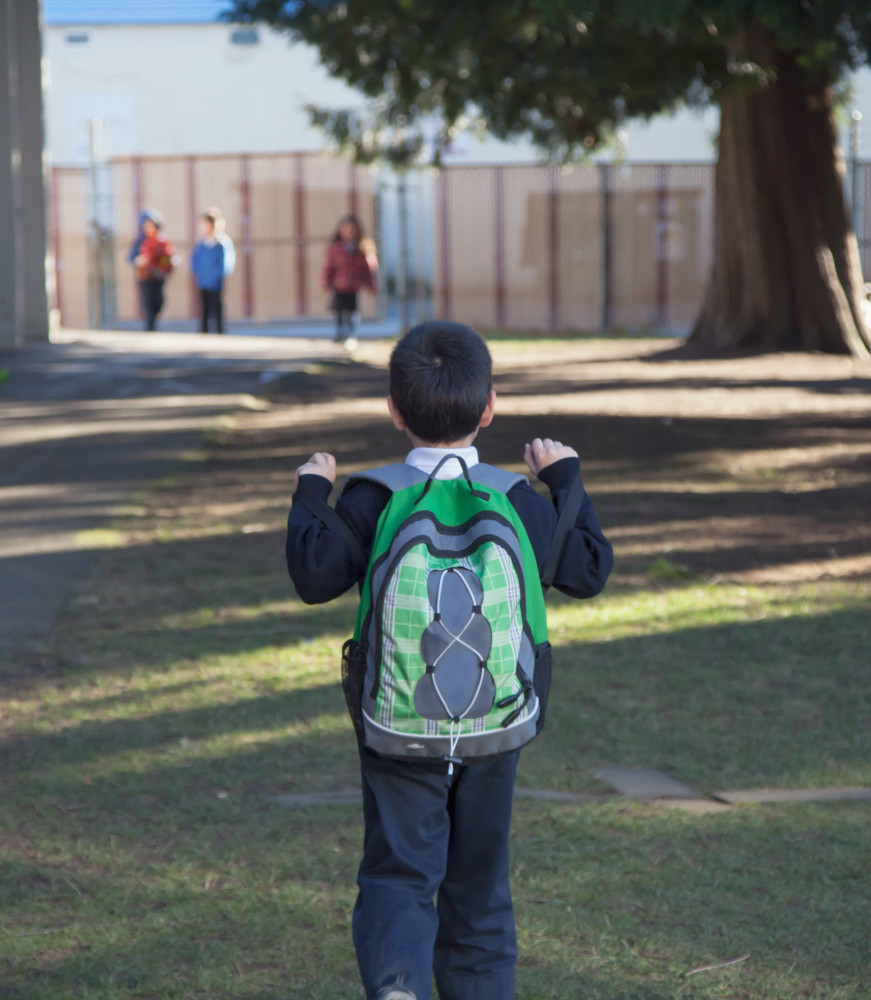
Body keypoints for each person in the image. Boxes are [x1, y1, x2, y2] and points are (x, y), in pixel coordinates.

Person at [286, 322, 613, 1000]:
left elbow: (315, 576)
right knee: (480, 885)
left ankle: (399, 986)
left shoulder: (373, 498)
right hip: (496, 724)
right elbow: (587, 570)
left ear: (394, 410)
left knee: (399, 873)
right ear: (488, 406)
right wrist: (567, 481)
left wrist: (311, 492)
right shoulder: (519, 499)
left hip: (397, 726)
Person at [322, 214, 378, 347]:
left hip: (353, 286)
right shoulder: (336, 248)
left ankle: (352, 335)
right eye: (346, 229)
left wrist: (371, 284)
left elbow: (368, 269)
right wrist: (326, 282)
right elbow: (328, 266)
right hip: (339, 285)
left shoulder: (362, 248)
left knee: (352, 311)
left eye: (352, 229)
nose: (349, 232)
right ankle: (340, 333)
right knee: (339, 310)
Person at [191, 208, 237, 334]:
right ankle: (204, 329)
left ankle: (219, 329)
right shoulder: (201, 243)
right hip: (203, 279)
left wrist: (218, 275)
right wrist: (197, 273)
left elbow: (226, 263)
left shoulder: (221, 243)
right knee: (204, 305)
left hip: (215, 281)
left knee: (216, 305)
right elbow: (195, 261)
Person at [131, 209, 176, 331]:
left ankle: (154, 320)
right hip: (145, 276)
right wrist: (139, 260)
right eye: (146, 224)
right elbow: (132, 257)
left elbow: (169, 256)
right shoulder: (140, 241)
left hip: (158, 275)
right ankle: (150, 327)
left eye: (152, 224)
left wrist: (168, 262)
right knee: (148, 302)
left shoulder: (162, 241)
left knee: (159, 301)